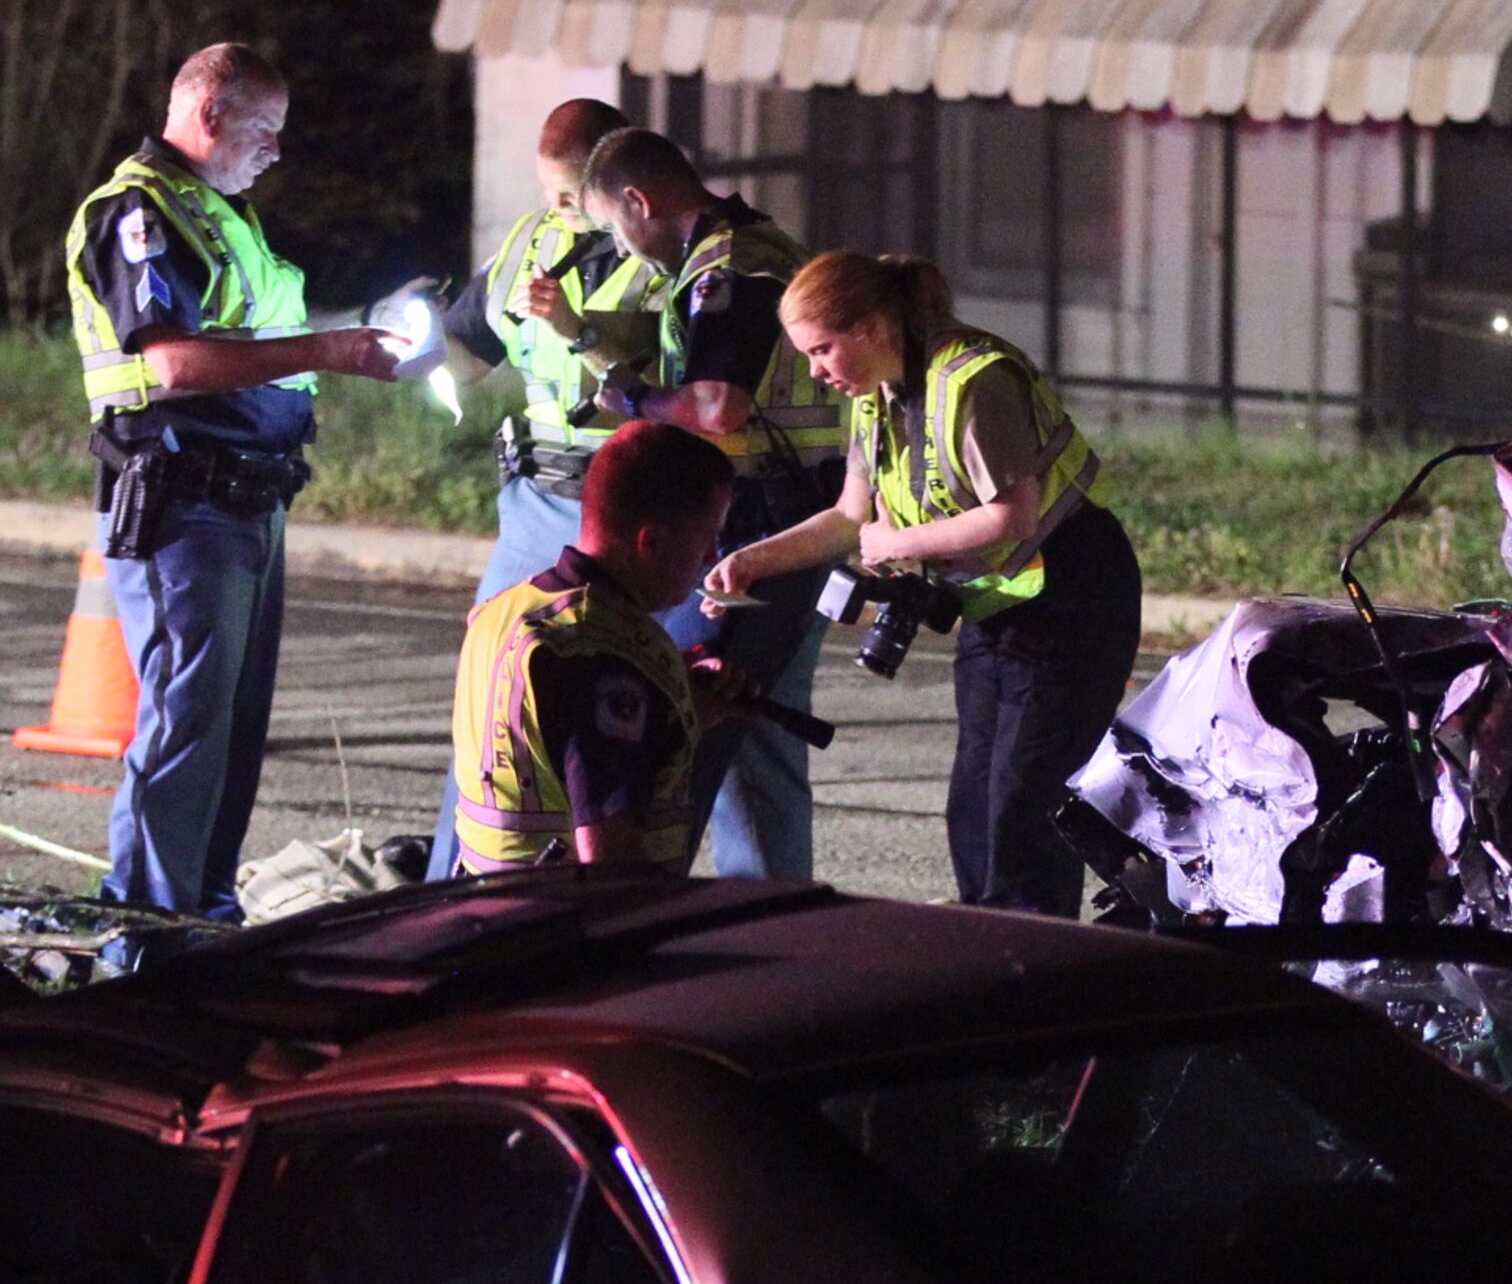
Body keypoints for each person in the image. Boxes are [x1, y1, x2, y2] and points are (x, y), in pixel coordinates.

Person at [64, 43, 398, 921]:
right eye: (265, 130)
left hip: (250, 500)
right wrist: (330, 351)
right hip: (186, 500)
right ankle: (144, 931)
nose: (276, 152)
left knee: (230, 732)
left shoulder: (222, 215)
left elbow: (254, 342)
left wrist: (351, 337)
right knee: (184, 731)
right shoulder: (139, 210)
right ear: (209, 113)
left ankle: (204, 915)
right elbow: (172, 362)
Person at [705, 251, 1141, 916]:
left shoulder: (975, 380)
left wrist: (897, 544)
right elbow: (850, 518)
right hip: (1000, 603)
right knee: (973, 809)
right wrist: (753, 561)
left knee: (1022, 810)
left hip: (1072, 596)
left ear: (874, 328)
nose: (818, 374)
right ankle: (991, 951)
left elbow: (1011, 514)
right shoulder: (878, 394)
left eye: (823, 351)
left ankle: (1031, 973)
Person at [579, 127, 844, 881]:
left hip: (755, 541)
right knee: (758, 751)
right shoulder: (750, 248)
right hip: (785, 531)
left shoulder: (730, 266)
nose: (619, 245)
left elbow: (718, 406)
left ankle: (641, 918)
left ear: (638, 201)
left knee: (684, 732)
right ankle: (765, 930)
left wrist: (630, 395)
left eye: (611, 227)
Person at [427, 96, 660, 874]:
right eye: (548, 191)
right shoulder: (535, 238)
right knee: (488, 706)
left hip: (635, 519)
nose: (555, 209)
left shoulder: (666, 249)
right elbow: (463, 346)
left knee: (663, 718)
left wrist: (580, 332)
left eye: (568, 193)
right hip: (534, 509)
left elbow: (685, 387)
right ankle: (449, 894)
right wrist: (395, 340)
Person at [447, 422, 740, 873]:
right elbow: (610, 858)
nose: (711, 557)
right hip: (568, 927)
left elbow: (543, 752)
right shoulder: (604, 660)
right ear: (651, 541)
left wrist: (676, 709)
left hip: (495, 911)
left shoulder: (507, 611)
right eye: (707, 538)